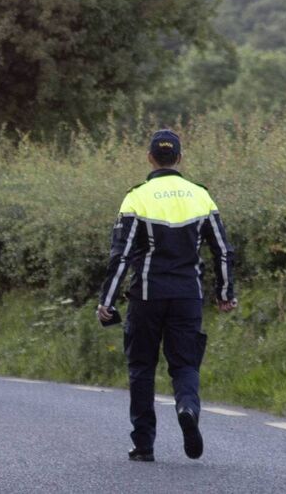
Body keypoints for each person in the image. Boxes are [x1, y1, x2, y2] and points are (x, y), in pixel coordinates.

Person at [96, 129, 237, 462]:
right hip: (188, 294)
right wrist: (225, 292)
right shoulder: (201, 196)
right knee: (185, 364)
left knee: (142, 367)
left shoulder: (137, 197)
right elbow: (224, 251)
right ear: (180, 158)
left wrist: (107, 301)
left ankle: (144, 445)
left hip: (146, 295)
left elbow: (121, 255)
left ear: (149, 158)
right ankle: (187, 406)